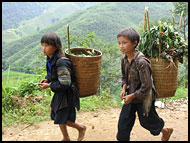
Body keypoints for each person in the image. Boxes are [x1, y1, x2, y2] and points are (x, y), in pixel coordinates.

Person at [116, 28, 173, 141]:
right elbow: (124, 77)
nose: (121, 46)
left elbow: (146, 86)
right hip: (130, 96)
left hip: (144, 98)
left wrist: (132, 96)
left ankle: (165, 130)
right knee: (123, 123)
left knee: (147, 121)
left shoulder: (142, 62)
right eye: (119, 43)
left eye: (124, 43)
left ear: (134, 43)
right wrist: (123, 89)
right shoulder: (124, 59)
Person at [38, 32, 86, 141]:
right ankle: (66, 137)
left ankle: (81, 128)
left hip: (67, 93)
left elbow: (65, 83)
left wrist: (49, 85)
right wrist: (47, 79)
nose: (43, 48)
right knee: (56, 114)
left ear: (55, 47)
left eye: (46, 45)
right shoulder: (50, 58)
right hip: (60, 92)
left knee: (62, 117)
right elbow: (52, 73)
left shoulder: (61, 62)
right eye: (42, 45)